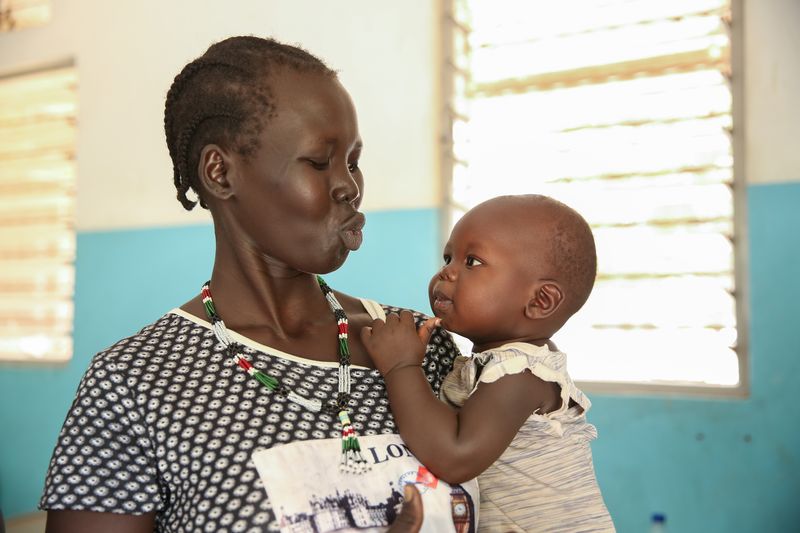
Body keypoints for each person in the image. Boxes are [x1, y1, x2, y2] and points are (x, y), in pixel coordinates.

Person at [39, 36, 474, 533]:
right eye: (318, 161)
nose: (349, 185)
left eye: (353, 160)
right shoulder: (134, 384)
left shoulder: (420, 345)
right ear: (220, 172)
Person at [362, 195, 615, 532]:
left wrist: (401, 367)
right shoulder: (495, 364)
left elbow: (455, 456)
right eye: (448, 257)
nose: (446, 272)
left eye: (473, 262)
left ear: (540, 301)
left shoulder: (520, 372)